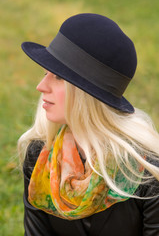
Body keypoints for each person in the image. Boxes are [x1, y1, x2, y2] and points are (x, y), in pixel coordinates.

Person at [18, 13, 159, 236]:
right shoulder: (40, 157)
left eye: (58, 77)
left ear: (87, 93)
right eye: (45, 73)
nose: (41, 86)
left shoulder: (145, 173)